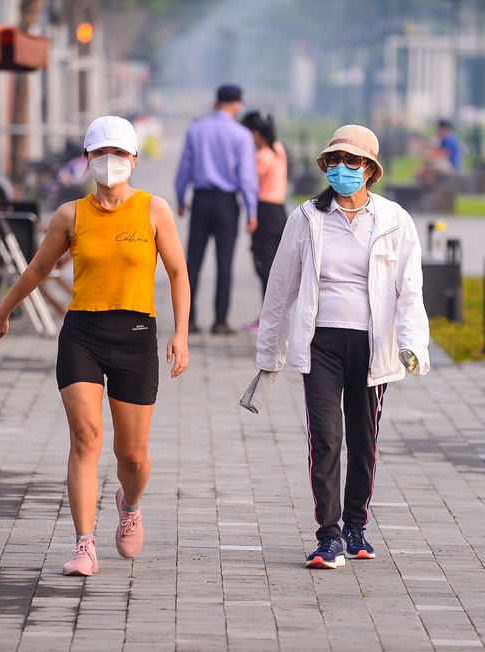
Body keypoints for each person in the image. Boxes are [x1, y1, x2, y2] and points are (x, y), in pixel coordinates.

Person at [0, 115, 190, 576]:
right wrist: (2, 312)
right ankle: (84, 544)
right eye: (101, 154)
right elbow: (38, 269)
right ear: (87, 159)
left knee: (131, 456)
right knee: (86, 438)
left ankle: (129, 503)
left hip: (136, 337)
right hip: (82, 336)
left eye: (118, 154)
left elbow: (178, 272)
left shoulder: (155, 211)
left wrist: (181, 333)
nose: (110, 162)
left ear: (134, 159)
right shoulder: (69, 215)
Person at [254, 124, 431, 569]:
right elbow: (281, 288)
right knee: (327, 439)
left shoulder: (393, 220)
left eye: (353, 161)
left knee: (363, 440)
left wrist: (412, 345)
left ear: (370, 170)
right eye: (335, 160)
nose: (342, 168)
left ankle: (355, 526)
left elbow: (410, 291)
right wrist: (269, 354)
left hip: (373, 346)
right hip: (322, 344)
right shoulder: (307, 218)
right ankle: (328, 536)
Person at [175, 84, 259, 335]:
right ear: (238, 105)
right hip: (226, 204)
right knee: (225, 264)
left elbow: (184, 168)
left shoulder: (196, 129)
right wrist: (251, 210)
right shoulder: (241, 135)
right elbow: (246, 177)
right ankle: (220, 321)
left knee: (193, 262)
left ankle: (188, 320)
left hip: (201, 201)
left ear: (216, 102)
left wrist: (181, 199)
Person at [239, 110, 288, 332]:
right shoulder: (278, 149)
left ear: (255, 133)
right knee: (273, 267)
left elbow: (249, 184)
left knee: (264, 267)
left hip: (265, 212)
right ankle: (270, 318)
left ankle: (268, 320)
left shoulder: (262, 157)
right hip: (278, 210)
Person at [416, 119, 463, 186]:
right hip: (444, 164)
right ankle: (425, 188)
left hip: (452, 166)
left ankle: (430, 189)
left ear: (444, 129)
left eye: (439, 130)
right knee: (423, 169)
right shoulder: (443, 139)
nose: (438, 132)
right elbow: (435, 150)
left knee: (430, 167)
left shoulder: (451, 139)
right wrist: (424, 147)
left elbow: (444, 154)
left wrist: (429, 156)